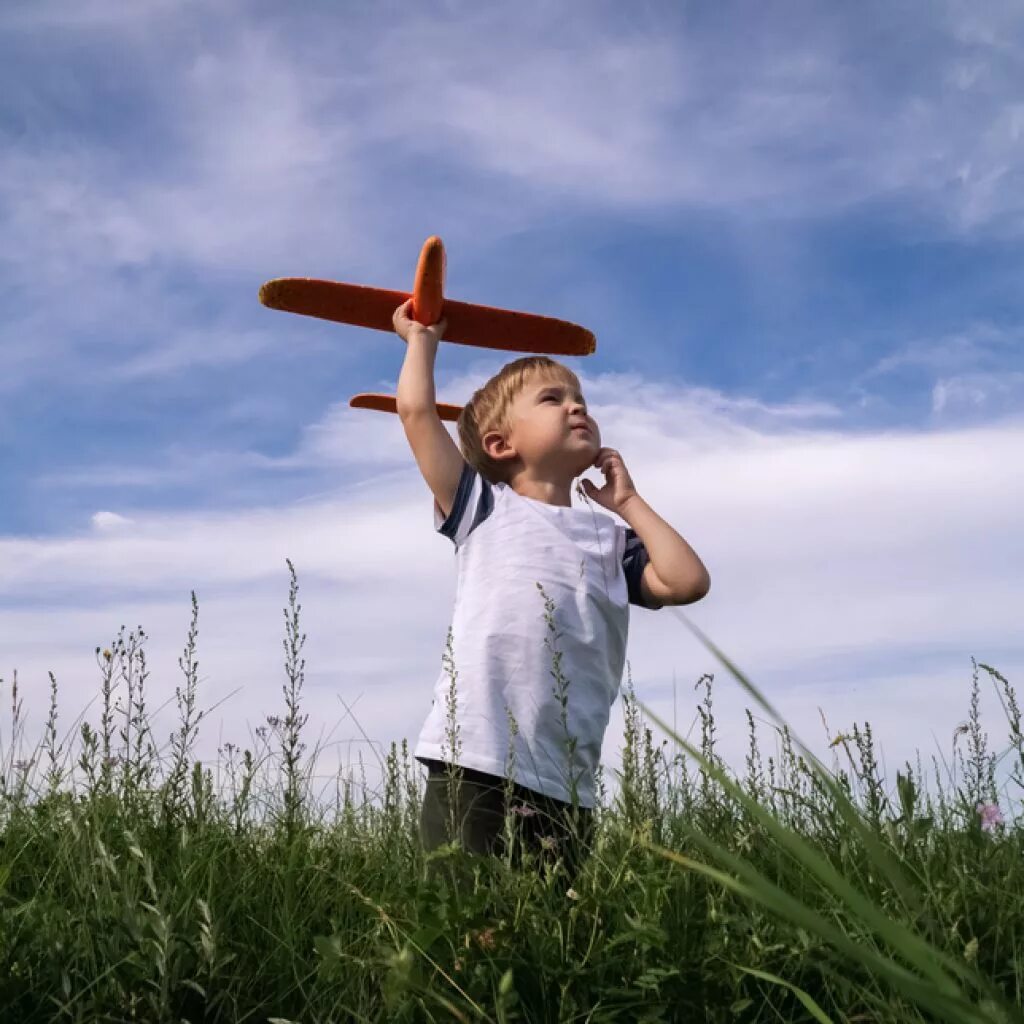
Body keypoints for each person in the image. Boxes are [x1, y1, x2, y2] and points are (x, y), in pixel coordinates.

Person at [392, 299, 710, 880]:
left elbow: (687, 582)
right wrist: (421, 339)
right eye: (552, 399)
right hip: (475, 761)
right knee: (466, 930)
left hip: (567, 779)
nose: (576, 407)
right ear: (499, 446)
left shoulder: (613, 540)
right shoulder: (484, 509)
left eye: (581, 399)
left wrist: (629, 503)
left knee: (551, 943)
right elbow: (415, 412)